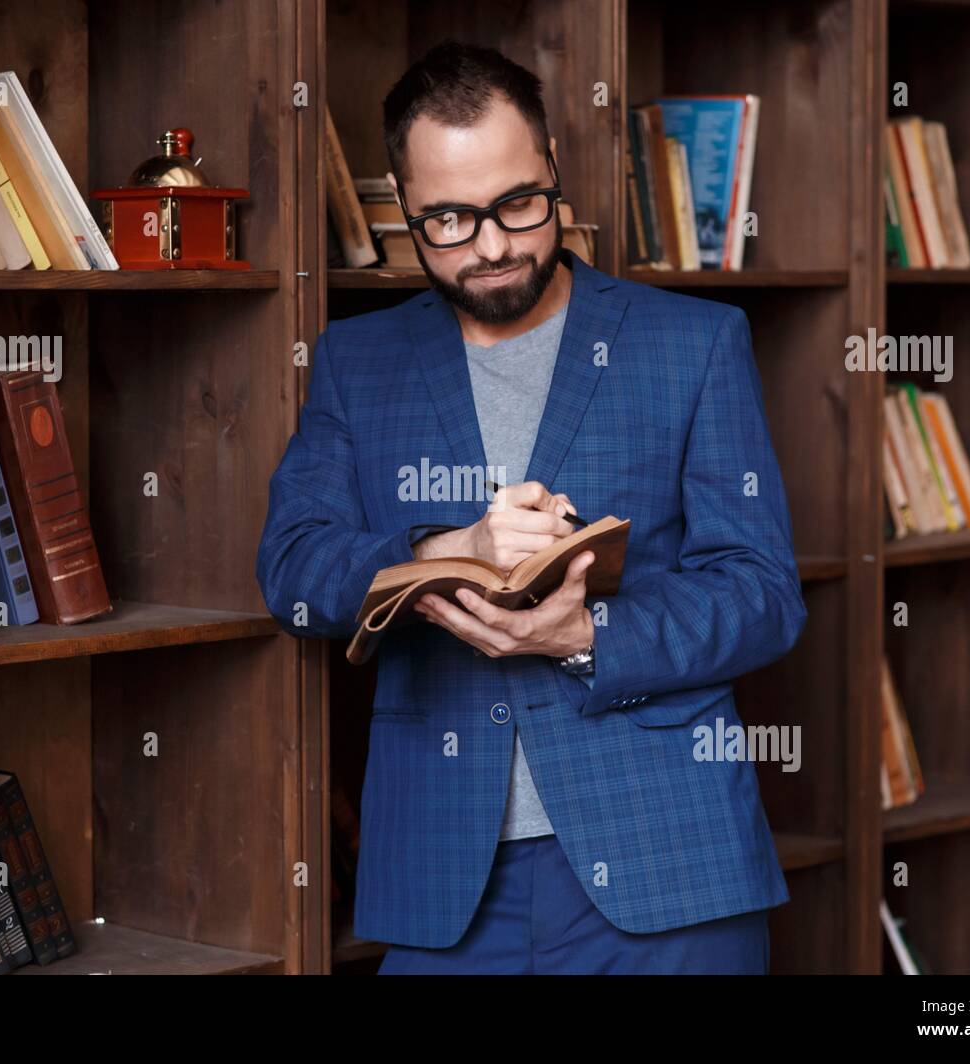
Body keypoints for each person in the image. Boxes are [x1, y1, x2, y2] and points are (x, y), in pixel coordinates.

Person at [256, 40, 806, 974]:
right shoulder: (357, 363)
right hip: (444, 880)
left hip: (670, 866)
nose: (494, 245)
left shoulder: (696, 344)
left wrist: (586, 634)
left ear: (552, 167)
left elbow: (764, 595)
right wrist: (441, 547)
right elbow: (292, 569)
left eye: (517, 203)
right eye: (450, 220)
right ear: (401, 205)